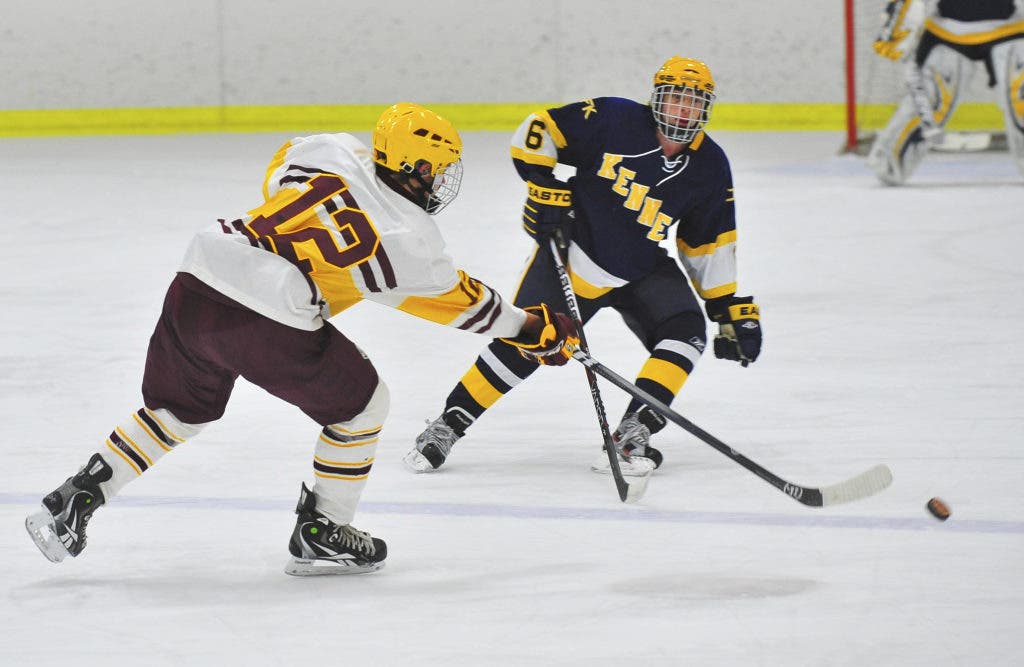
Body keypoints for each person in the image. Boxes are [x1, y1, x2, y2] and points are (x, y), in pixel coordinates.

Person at [25, 103, 577, 575]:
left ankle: (74, 498)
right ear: (416, 166)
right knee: (364, 406)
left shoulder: (328, 150)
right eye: (437, 171)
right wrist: (533, 329)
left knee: (173, 411)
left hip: (200, 274)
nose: (439, 182)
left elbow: (276, 179)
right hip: (268, 311)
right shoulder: (412, 239)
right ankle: (325, 529)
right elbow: (460, 304)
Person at [404, 57, 762, 477]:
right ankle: (448, 425)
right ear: (657, 99)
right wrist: (544, 184)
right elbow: (538, 130)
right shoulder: (613, 118)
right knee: (526, 340)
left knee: (686, 332)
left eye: (693, 103)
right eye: (675, 99)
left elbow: (707, 241)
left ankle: (633, 432)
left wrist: (724, 308)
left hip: (641, 268)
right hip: (572, 253)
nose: (682, 111)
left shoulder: (711, 166)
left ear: (706, 109)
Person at [867, 0, 1024, 184]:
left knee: (1020, 95)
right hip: (948, 29)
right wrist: (900, 23)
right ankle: (889, 162)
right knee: (933, 98)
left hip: (1008, 28)